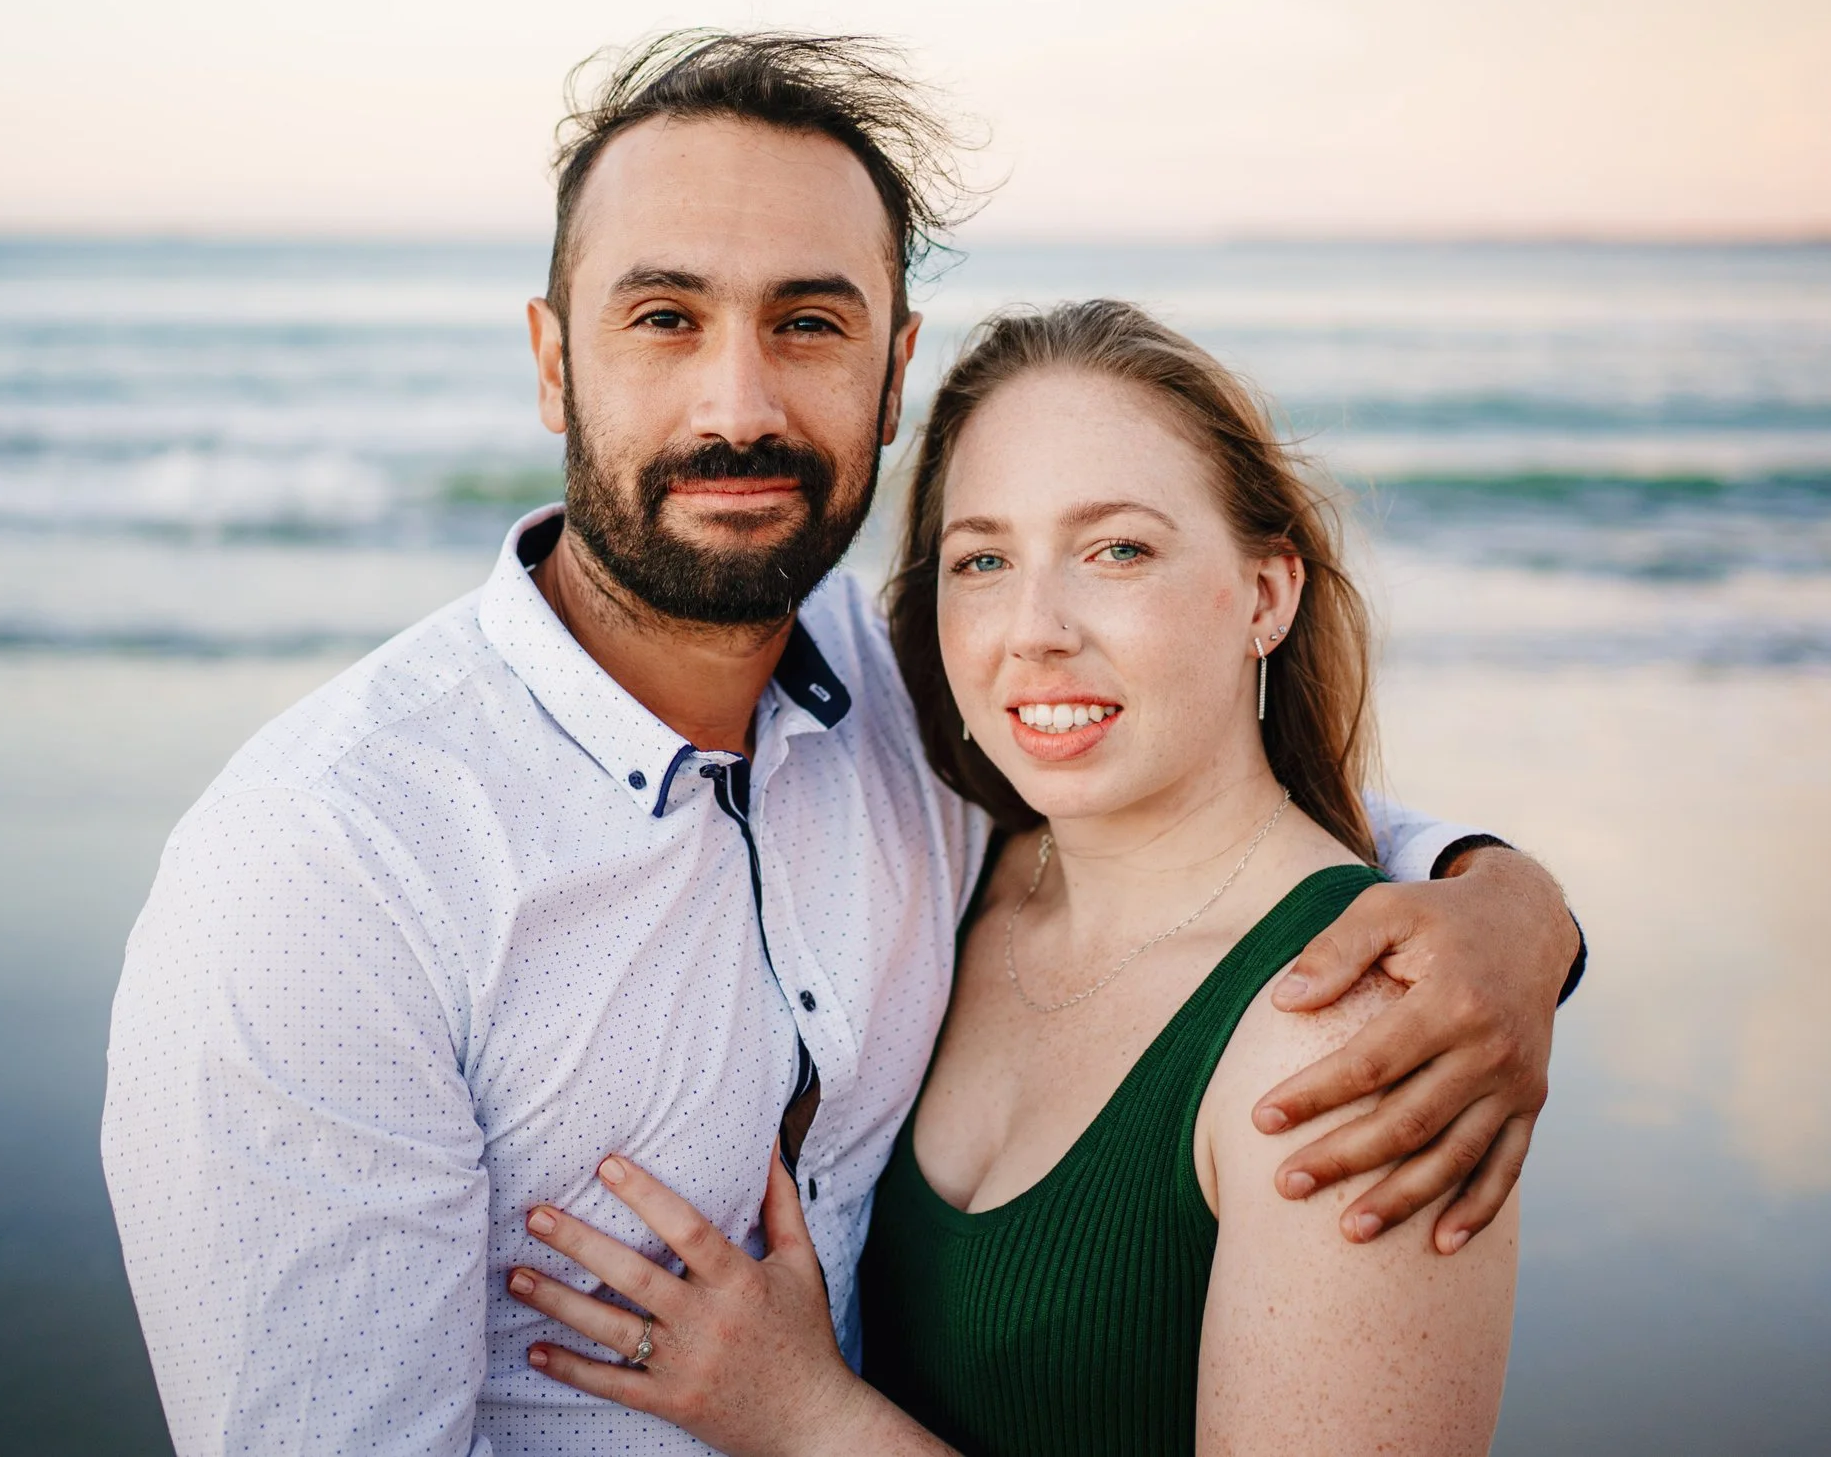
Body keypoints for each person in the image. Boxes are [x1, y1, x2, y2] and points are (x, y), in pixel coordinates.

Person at [100, 33, 1580, 1457]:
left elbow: (1182, 806)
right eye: (663, 317)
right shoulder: (328, 866)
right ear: (555, 361)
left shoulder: (913, 706)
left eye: (808, 323)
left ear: (890, 374)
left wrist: (1507, 902)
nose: (738, 403)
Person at [504, 302, 1517, 1455]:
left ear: (1266, 595)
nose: (1031, 630)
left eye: (1117, 548)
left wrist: (806, 1416)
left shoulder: (1353, 1034)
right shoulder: (959, 871)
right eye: (983, 559)